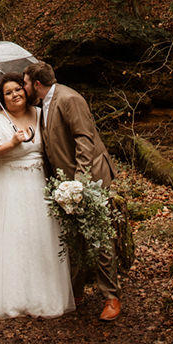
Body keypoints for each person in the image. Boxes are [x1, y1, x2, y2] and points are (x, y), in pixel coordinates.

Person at [23, 62, 122, 322]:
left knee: (99, 237)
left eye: (25, 83)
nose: (23, 89)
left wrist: (81, 182)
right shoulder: (43, 105)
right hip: (65, 184)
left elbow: (84, 140)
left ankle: (111, 297)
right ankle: (75, 291)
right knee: (73, 239)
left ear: (36, 84)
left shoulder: (69, 99)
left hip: (91, 179)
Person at [0, 73, 74, 318]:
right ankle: (12, 297)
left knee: (41, 236)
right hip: (9, 186)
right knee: (14, 236)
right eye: (8, 93)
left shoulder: (41, 114)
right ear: (2, 98)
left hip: (39, 184)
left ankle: (44, 295)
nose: (15, 95)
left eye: (18, 89)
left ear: (26, 90)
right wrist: (10, 144)